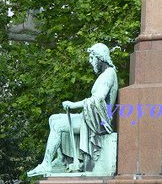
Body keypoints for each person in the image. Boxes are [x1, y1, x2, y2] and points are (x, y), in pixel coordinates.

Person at [27, 43, 118, 176]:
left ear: (100, 58)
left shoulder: (108, 73)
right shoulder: (106, 74)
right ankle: (60, 159)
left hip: (98, 122)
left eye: (92, 58)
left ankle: (46, 164)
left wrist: (73, 104)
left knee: (58, 125)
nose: (90, 61)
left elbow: (98, 99)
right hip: (91, 116)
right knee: (53, 118)